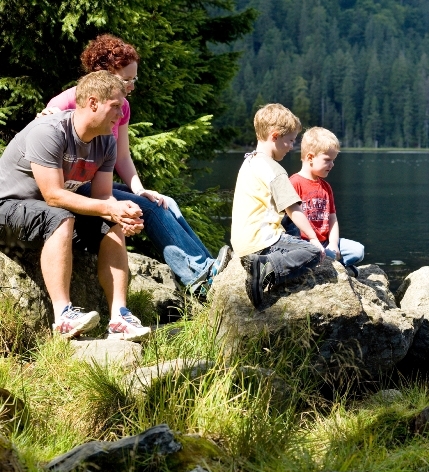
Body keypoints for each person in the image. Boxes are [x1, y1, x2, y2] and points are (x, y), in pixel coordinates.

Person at [40, 34, 230, 296]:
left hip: (93, 182)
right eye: (126, 79)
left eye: (134, 79)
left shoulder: (122, 108)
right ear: (104, 74)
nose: (131, 86)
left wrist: (139, 189)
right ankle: (200, 279)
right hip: (71, 189)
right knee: (150, 210)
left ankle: (207, 272)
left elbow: (122, 157)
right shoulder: (65, 102)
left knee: (166, 203)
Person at [0, 71, 150, 341]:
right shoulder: (50, 132)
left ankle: (119, 318)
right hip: (7, 209)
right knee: (59, 216)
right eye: (115, 106)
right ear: (93, 103)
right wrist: (110, 208)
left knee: (110, 222)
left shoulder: (106, 141)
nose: (121, 114)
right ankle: (64, 316)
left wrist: (122, 214)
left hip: (45, 214)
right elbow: (53, 196)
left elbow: (103, 197)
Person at [231, 104, 324, 308]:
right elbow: (294, 210)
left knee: (289, 231)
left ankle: (259, 269)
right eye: (290, 140)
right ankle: (267, 268)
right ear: (275, 136)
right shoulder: (274, 170)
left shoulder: (248, 162)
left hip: (241, 246)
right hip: (262, 243)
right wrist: (315, 239)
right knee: (312, 253)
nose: (292, 147)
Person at [284, 127, 364, 277]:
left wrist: (333, 243)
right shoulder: (294, 183)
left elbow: (332, 218)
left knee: (357, 250)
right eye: (327, 160)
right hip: (304, 245)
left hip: (326, 242)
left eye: (333, 160)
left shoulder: (326, 187)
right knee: (320, 255)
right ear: (310, 158)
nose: (332, 165)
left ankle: (333, 264)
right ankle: (336, 267)